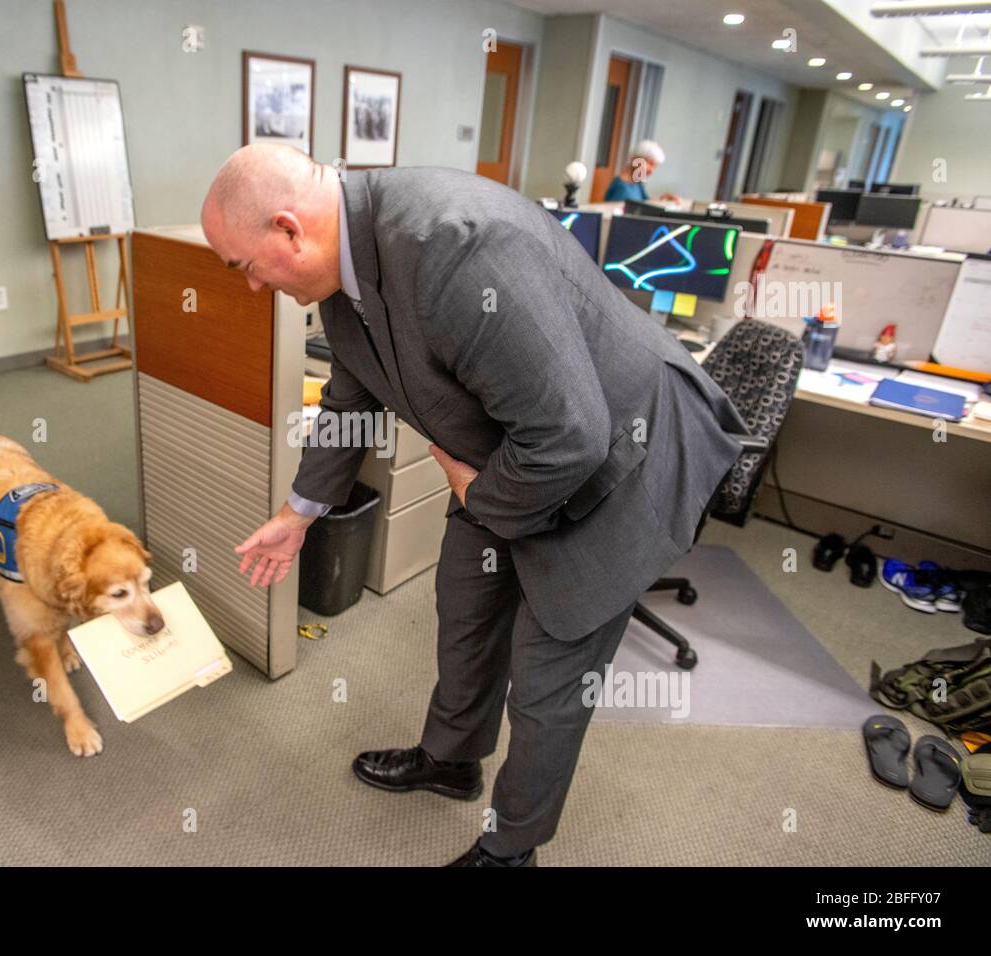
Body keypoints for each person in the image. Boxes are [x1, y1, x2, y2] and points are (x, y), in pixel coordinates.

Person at [200, 145, 746, 866]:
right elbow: (350, 397)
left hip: (618, 461)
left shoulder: (455, 247)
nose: (248, 285)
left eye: (243, 264)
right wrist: (297, 514)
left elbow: (572, 437)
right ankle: (452, 760)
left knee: (547, 681)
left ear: (289, 229)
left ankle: (510, 849)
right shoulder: (344, 273)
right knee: (466, 605)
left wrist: (477, 494)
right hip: (511, 456)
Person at [602, 139, 680, 203]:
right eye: (650, 163)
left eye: (655, 167)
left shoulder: (637, 184)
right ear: (634, 159)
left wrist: (663, 200)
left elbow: (645, 203)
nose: (651, 171)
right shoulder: (622, 188)